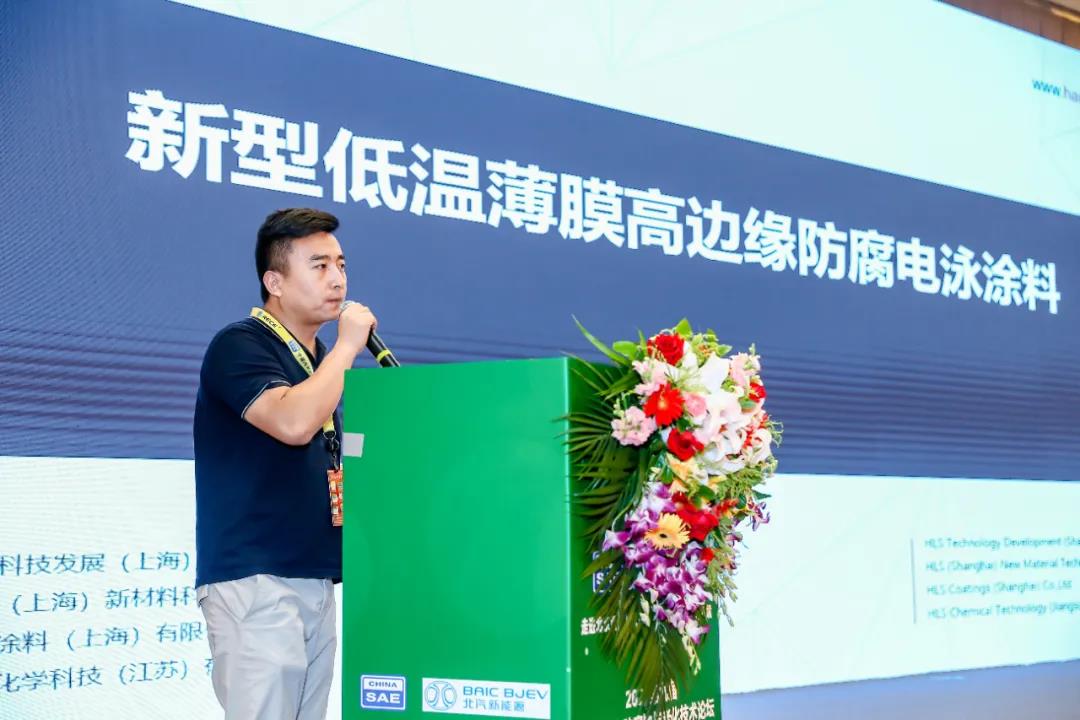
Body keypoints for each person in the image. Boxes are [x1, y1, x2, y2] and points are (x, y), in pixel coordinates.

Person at [193, 207, 376, 719]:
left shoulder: (317, 363)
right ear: (274, 281)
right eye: (319, 266)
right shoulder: (240, 345)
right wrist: (347, 348)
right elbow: (292, 423)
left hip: (314, 580)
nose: (337, 279)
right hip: (257, 581)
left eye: (341, 264)